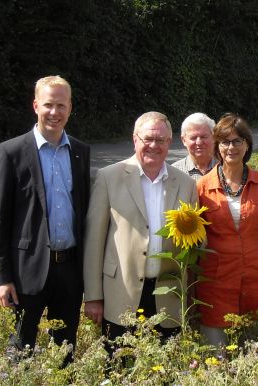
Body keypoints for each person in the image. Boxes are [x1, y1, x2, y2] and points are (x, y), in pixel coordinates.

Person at [0, 75, 90, 361]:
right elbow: (0, 220)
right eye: (48, 105)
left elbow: (82, 212)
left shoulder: (80, 152)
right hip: (27, 271)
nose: (55, 113)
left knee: (65, 353)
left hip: (69, 270)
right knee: (20, 352)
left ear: (70, 108)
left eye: (61, 105)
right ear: (36, 106)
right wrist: (2, 278)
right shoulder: (11, 152)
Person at [83, 112, 197, 344]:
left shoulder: (186, 183)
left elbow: (192, 244)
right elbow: (94, 241)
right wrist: (93, 297)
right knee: (117, 368)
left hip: (168, 297)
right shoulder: (109, 177)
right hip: (120, 294)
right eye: (148, 139)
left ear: (170, 142)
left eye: (161, 140)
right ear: (135, 139)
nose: (154, 146)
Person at [195, 114, 258, 346]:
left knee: (253, 361)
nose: (231, 147)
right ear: (217, 147)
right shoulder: (201, 187)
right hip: (215, 287)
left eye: (237, 141)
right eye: (225, 142)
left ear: (247, 145)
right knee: (216, 362)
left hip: (256, 285)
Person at [172, 112, 216, 180]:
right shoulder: (174, 172)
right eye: (193, 138)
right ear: (184, 140)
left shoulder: (226, 168)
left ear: (213, 137)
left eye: (204, 137)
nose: (199, 142)